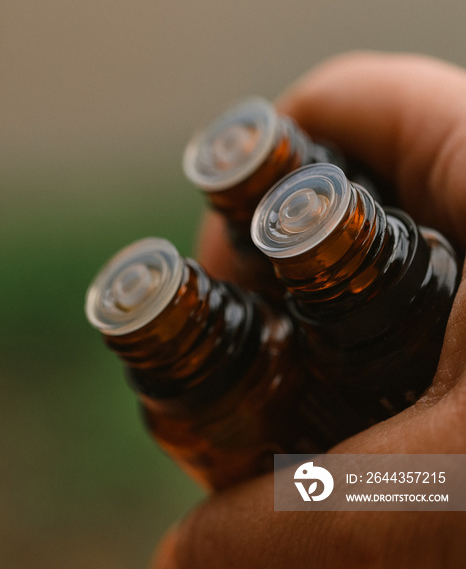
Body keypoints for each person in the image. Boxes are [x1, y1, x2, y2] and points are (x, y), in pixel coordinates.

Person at [152, 52, 466, 568]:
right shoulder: (308, 344)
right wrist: (431, 488)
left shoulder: (418, 280)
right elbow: (425, 488)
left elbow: (425, 488)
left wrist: (431, 489)